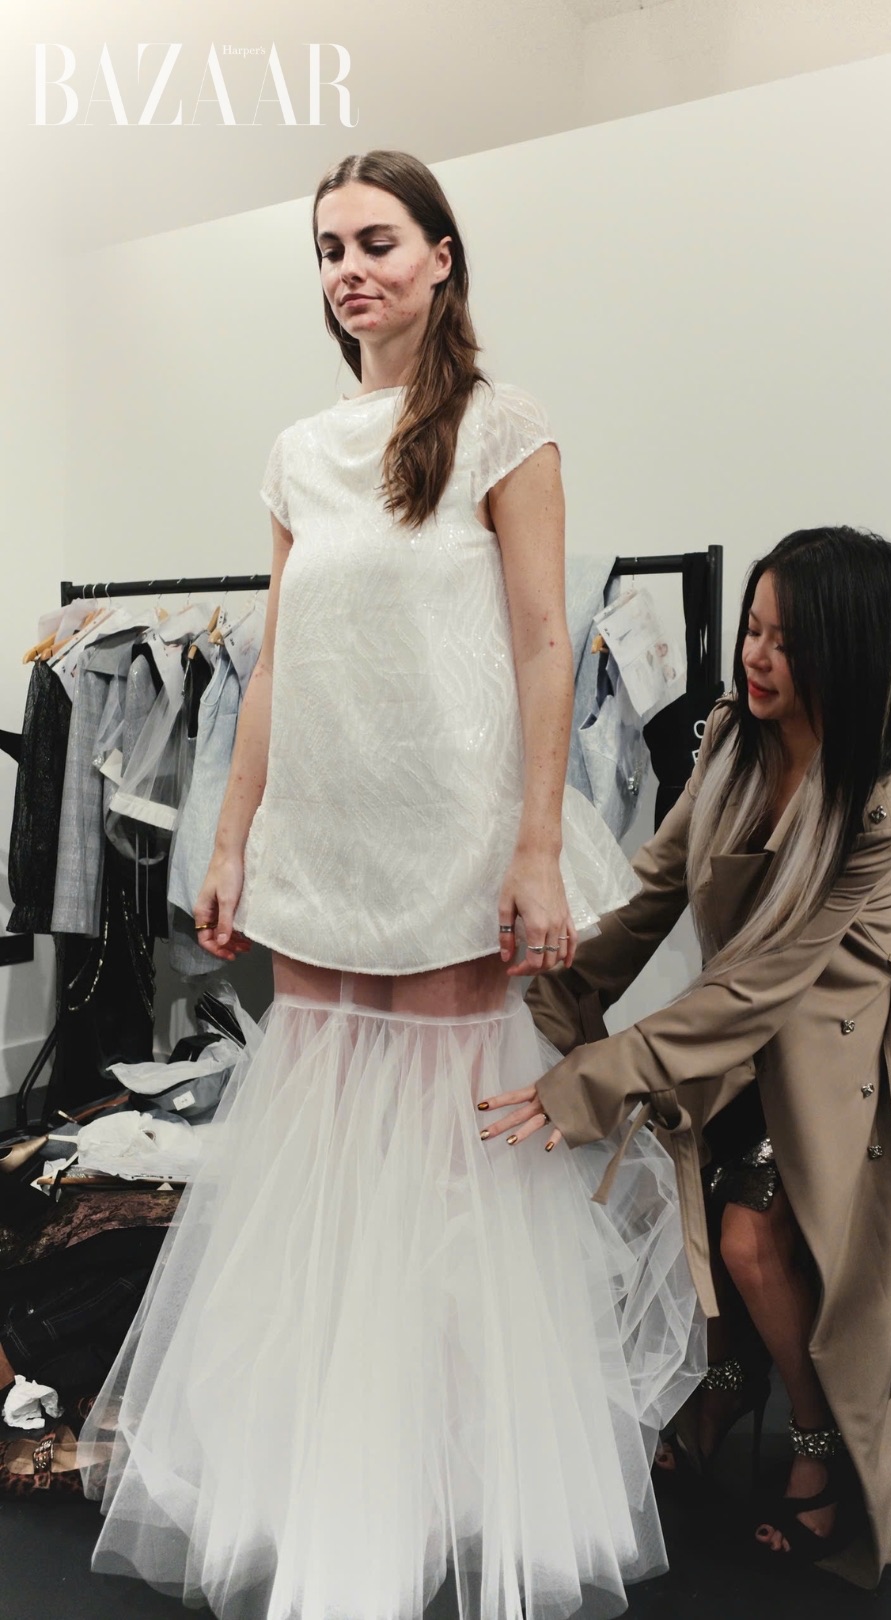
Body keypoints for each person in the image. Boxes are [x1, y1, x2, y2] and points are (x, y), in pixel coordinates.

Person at [78, 151, 704, 1620]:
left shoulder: (505, 427)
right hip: (326, 840)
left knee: (441, 1165)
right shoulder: (299, 453)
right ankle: (318, 1477)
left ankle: (439, 1482)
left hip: (455, 838)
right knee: (322, 1154)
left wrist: (537, 845)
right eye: (328, 250)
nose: (348, 270)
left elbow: (544, 642)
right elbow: (277, 664)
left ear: (440, 257)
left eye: (375, 241)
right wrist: (230, 836)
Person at [492, 526, 891, 1589]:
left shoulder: (869, 807)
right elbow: (654, 891)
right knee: (693, 1223)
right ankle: (726, 1389)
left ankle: (814, 1442)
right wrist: (554, 988)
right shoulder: (728, 745)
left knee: (750, 1242)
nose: (756, 656)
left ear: (848, 655)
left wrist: (590, 1079)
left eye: (786, 643)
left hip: (839, 1066)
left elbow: (760, 985)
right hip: (735, 1044)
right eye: (753, 628)